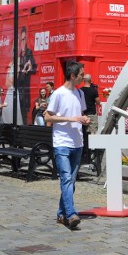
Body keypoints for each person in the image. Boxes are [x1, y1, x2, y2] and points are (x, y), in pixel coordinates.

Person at [44, 61, 89, 231]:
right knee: (66, 178)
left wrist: (84, 119)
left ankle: (61, 213)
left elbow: (80, 114)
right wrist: (71, 119)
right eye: (81, 75)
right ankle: (71, 214)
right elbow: (48, 117)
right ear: (72, 75)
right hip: (62, 142)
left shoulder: (80, 94)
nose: (83, 77)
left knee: (71, 181)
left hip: (77, 142)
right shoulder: (58, 94)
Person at [17, 27, 36, 126]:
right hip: (19, 92)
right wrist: (22, 71)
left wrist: (30, 67)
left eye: (25, 39)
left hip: (26, 91)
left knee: (24, 115)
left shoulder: (29, 52)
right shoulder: (18, 55)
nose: (23, 42)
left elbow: (34, 66)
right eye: (22, 40)